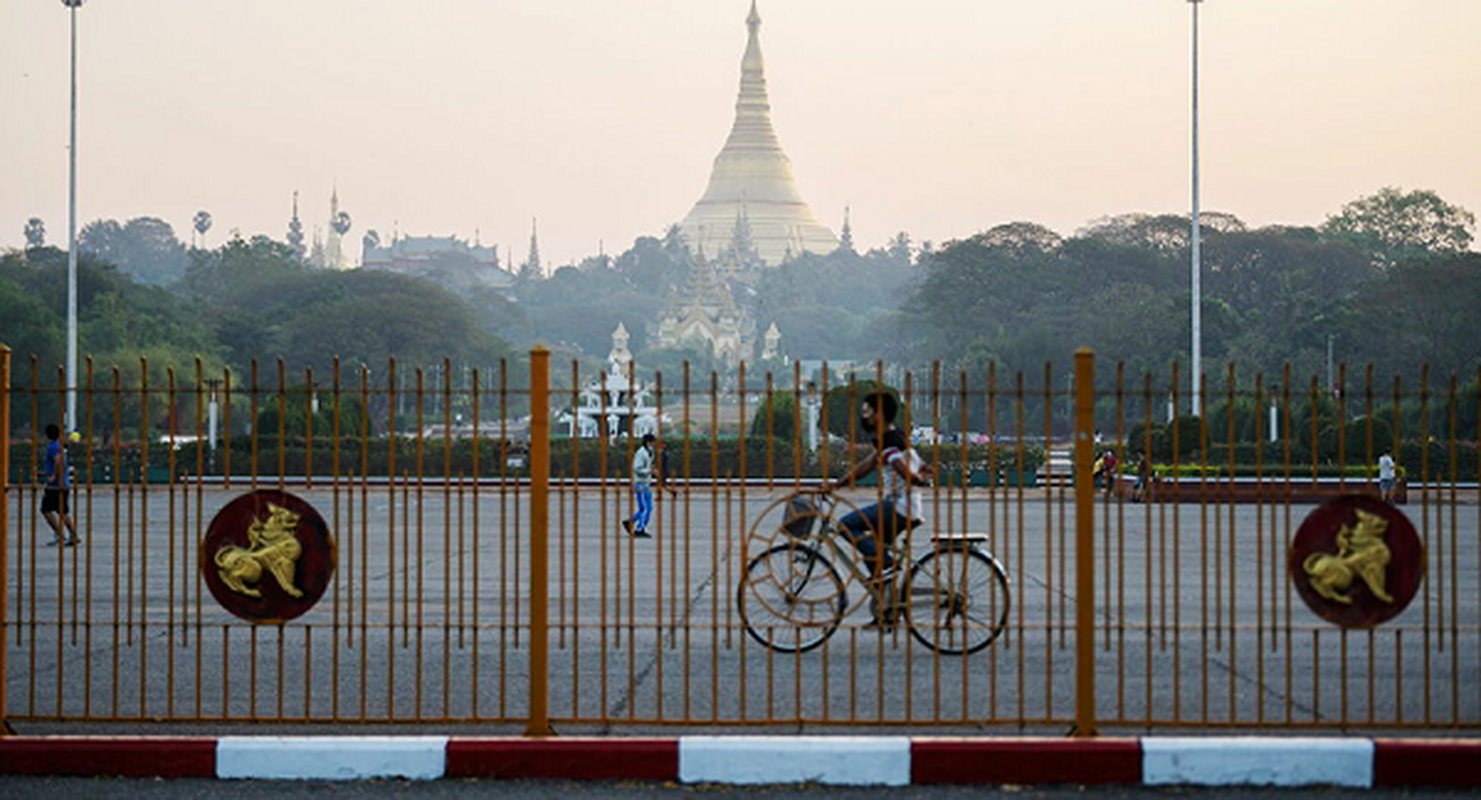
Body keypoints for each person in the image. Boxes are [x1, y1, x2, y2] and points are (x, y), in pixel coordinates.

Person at [821, 392, 932, 624]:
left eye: (867, 411)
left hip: (898, 508)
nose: (864, 416)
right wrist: (837, 485)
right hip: (907, 507)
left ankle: (887, 564)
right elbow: (865, 467)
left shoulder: (889, 444)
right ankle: (886, 610)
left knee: (846, 525)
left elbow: (903, 468)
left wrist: (915, 478)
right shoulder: (894, 438)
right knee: (875, 559)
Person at [622, 432, 675, 538]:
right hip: (640, 484)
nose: (654, 444)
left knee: (646, 508)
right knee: (646, 508)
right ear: (648, 442)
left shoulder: (648, 452)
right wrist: (650, 470)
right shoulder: (641, 453)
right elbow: (636, 468)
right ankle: (639, 529)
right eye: (653, 442)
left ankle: (630, 522)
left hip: (644, 483)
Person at [40, 423, 79, 547]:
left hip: (56, 485)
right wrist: (46, 473)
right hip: (63, 483)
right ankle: (73, 535)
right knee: (62, 511)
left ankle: (60, 535)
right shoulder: (59, 446)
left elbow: (58, 461)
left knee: (46, 510)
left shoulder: (52, 447)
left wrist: (53, 476)